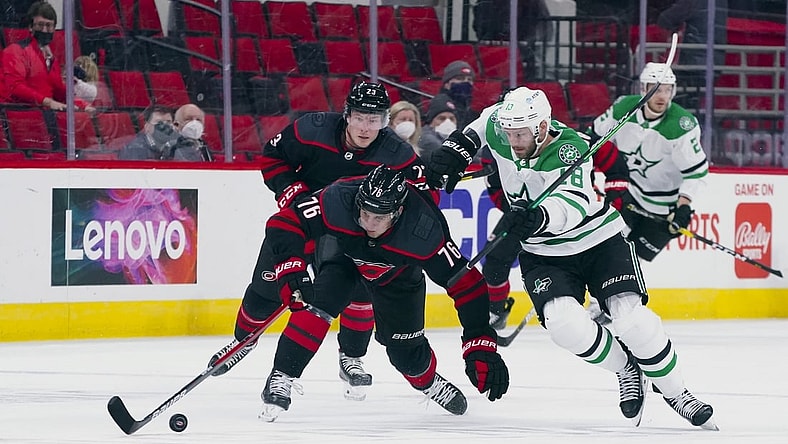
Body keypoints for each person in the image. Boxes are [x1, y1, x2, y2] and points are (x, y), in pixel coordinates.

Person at [424, 86, 716, 429]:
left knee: (630, 319)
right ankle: (626, 368)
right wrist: (457, 150)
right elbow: (482, 125)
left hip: (599, 241)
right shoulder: (503, 126)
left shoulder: (571, 148)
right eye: (509, 132)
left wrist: (537, 217)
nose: (512, 140)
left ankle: (678, 393)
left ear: (542, 127)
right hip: (544, 253)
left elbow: (573, 204)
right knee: (564, 325)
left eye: (520, 134)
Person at [208, 81, 432, 403]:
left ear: (385, 121)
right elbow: (273, 157)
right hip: (301, 221)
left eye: (375, 120)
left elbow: (421, 195)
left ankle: (351, 357)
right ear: (347, 115)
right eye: (360, 117)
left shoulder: (396, 152)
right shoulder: (312, 129)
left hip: (352, 232)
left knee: (358, 293)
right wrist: (293, 193)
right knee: (267, 288)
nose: (366, 127)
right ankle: (243, 341)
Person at [253, 165, 508, 421]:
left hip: (398, 277)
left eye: (379, 218)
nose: (368, 224)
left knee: (406, 356)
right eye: (364, 214)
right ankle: (281, 375)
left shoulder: (425, 229)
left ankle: (428, 382)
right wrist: (290, 269)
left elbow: (467, 285)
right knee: (317, 306)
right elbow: (283, 222)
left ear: (398, 212)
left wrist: (479, 344)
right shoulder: (340, 197)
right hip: (345, 260)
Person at [588, 62, 708, 263]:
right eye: (656, 89)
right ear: (643, 89)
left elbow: (696, 173)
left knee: (634, 264)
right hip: (628, 195)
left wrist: (683, 208)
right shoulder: (623, 108)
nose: (662, 96)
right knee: (607, 253)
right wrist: (587, 174)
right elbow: (593, 139)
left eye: (667, 90)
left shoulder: (682, 126)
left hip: (663, 207)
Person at [1, 1, 68, 110]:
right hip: (16, 116)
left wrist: (83, 105)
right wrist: (48, 102)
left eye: (49, 25)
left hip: (43, 117)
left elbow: (59, 93)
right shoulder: (16, 50)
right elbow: (15, 87)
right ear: (31, 27)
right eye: (40, 25)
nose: (45, 30)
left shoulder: (51, 59)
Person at [430, 60, 478, 128]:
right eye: (460, 78)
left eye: (469, 79)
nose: (465, 82)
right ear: (447, 84)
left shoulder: (470, 113)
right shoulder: (440, 105)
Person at [418, 95, 460, 161]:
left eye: (452, 119)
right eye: (442, 118)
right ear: (431, 121)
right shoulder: (427, 139)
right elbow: (450, 157)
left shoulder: (457, 136)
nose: (448, 122)